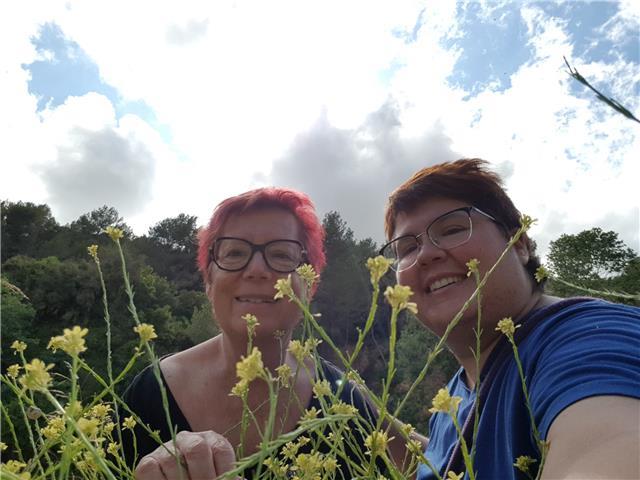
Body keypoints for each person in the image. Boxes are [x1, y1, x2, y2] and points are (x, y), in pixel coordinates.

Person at [122, 187, 421, 479]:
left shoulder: (342, 398)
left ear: (309, 285)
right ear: (209, 281)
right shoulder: (149, 394)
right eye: (235, 252)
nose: (256, 270)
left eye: (281, 255)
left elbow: (441, 462)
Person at [379, 159, 640, 480]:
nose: (426, 254)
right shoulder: (453, 397)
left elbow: (610, 442)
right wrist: (366, 415)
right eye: (406, 248)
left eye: (453, 229)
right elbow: (448, 464)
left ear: (518, 245)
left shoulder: (589, 340)